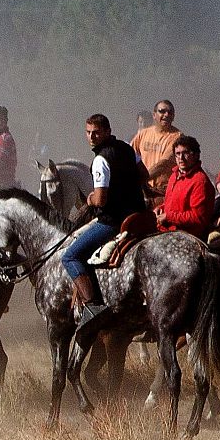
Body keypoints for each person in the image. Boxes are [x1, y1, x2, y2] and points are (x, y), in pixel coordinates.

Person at [63, 114, 147, 333]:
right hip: (138, 215)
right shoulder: (128, 149)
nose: (92, 136)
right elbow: (144, 174)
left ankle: (93, 308)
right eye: (88, 132)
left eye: (96, 132)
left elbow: (100, 200)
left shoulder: (101, 159)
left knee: (70, 255)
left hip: (113, 221)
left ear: (107, 131)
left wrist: (89, 198)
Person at [156, 135, 213, 240]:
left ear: (196, 155)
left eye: (185, 153)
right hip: (166, 232)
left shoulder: (200, 181)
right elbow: (174, 203)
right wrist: (161, 209)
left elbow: (198, 217)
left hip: (186, 237)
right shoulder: (174, 175)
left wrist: (168, 216)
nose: (181, 158)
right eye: (177, 154)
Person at [131, 99, 181, 197]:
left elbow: (163, 164)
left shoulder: (177, 137)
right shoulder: (144, 133)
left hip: (162, 191)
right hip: (142, 187)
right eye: (162, 111)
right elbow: (129, 155)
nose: (166, 115)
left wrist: (141, 179)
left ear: (173, 117)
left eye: (170, 112)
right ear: (154, 115)